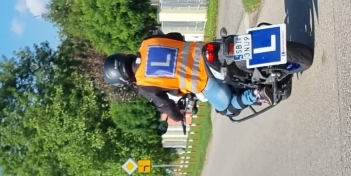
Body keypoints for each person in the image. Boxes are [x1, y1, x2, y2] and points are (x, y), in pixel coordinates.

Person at [103, 32, 262, 121]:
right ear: (124, 56)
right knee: (229, 42)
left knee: (227, 109)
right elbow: (177, 36)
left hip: (205, 79)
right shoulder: (147, 42)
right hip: (207, 50)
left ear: (125, 79)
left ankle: (256, 94)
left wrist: (178, 117)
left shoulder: (144, 84)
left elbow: (165, 105)